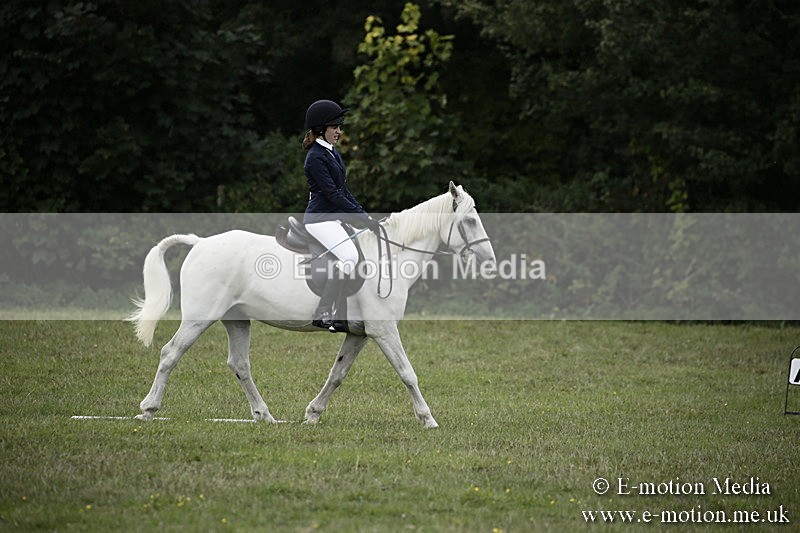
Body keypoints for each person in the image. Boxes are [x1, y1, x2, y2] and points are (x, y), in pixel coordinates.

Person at [302, 99, 381, 329]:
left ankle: (342, 315)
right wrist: (360, 217)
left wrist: (365, 215)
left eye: (339, 126)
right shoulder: (315, 157)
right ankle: (324, 311)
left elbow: (343, 190)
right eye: (335, 127)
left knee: (356, 252)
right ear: (320, 129)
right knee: (348, 257)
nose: (339, 131)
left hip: (332, 218)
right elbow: (332, 196)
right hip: (318, 219)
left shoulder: (332, 153)